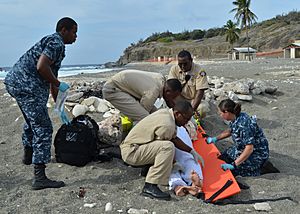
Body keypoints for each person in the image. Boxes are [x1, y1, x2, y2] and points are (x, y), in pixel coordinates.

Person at [4, 17, 78, 190]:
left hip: (15, 83)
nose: (76, 36)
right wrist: (58, 84)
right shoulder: (56, 42)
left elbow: (52, 78)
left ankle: (28, 155)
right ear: (64, 30)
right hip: (27, 87)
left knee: (33, 121)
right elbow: (41, 66)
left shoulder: (55, 44)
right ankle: (40, 177)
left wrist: (58, 105)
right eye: (74, 32)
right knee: (43, 127)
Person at [120, 100, 204, 200]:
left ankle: (147, 169)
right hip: (132, 152)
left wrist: (191, 151)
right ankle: (150, 186)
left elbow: (175, 139)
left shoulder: (167, 114)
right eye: (186, 119)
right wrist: (173, 164)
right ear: (177, 114)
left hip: (134, 147)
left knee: (167, 147)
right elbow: (167, 147)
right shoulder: (167, 124)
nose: (186, 122)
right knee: (167, 147)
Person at [206, 99, 269, 177]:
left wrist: (234, 165)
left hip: (256, 154)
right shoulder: (236, 118)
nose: (220, 116)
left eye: (220, 113)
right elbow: (230, 131)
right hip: (242, 148)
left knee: (236, 171)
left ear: (227, 112)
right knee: (225, 156)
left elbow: (249, 149)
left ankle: (260, 168)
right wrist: (215, 139)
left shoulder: (244, 125)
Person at [102, 69, 182, 122]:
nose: (172, 99)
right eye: (173, 97)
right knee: (145, 118)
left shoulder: (160, 79)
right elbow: (143, 112)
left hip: (125, 88)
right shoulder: (153, 91)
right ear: (168, 91)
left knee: (157, 114)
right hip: (113, 90)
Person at [169, 126, 203, 197]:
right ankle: (195, 181)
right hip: (180, 130)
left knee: (168, 165)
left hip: (165, 136)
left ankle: (177, 186)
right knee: (188, 158)